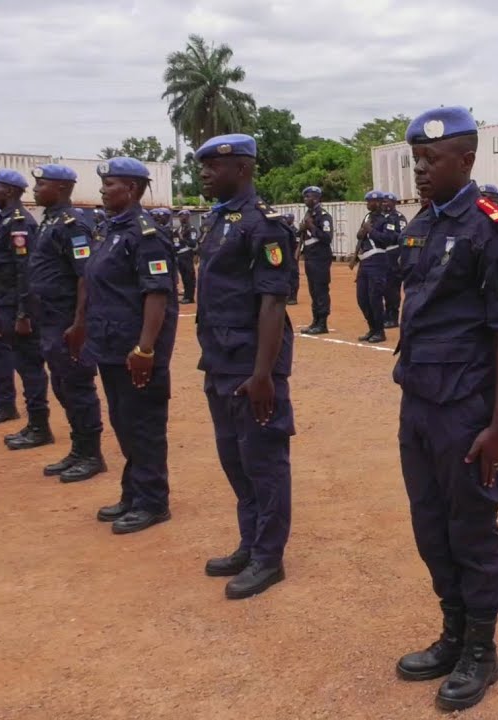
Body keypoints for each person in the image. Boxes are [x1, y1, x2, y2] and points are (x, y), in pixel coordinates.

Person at [392, 106, 498, 712]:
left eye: (431, 160)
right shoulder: (420, 226)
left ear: (466, 161)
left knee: (471, 527)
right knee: (430, 525)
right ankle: (452, 633)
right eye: (415, 159)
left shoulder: (492, 231)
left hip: (464, 411)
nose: (419, 170)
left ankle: (481, 648)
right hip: (418, 402)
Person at [193, 134, 296, 600]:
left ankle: (268, 558)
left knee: (264, 461)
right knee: (234, 459)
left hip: (252, 366)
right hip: (219, 361)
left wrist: (262, 375)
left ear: (242, 169)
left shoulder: (264, 226)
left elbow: (273, 304)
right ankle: (250, 541)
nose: (205, 174)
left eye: (214, 166)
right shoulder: (219, 223)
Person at [75, 157, 177, 534]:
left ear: (131, 189)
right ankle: (134, 492)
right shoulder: (109, 230)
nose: (102, 190)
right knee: (123, 421)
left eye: (110, 184)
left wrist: (146, 349)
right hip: (110, 345)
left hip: (136, 351)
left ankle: (153, 501)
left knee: (144, 425)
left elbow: (156, 294)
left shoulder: (145, 234)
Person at [17, 164, 107, 482]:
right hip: (49, 319)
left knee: (78, 385)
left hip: (67, 319)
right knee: (62, 385)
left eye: (41, 184)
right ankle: (79, 448)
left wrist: (80, 322)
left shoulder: (74, 224)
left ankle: (92, 455)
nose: (35, 189)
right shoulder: (51, 221)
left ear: (62, 187)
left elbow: (84, 275)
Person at [0, 169, 44, 430]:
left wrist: (23, 313)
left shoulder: (19, 223)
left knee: (29, 367)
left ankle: (38, 425)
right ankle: (8, 407)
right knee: (14, 359)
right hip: (5, 300)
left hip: (18, 304)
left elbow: (24, 270)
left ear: (11, 192)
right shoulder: (4, 220)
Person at [354, 190, 394, 343]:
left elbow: (388, 239)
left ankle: (379, 331)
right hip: (364, 262)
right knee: (362, 298)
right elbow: (359, 236)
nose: (367, 204)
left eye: (370, 201)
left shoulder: (387, 220)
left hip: (378, 261)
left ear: (377, 203)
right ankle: (372, 328)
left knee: (374, 298)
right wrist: (363, 230)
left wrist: (370, 230)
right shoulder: (367, 217)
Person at [298, 186, 333, 334]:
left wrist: (311, 226)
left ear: (317, 198)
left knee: (321, 290)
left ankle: (322, 323)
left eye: (309, 197)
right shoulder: (308, 213)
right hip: (310, 257)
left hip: (320, 257)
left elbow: (326, 238)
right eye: (305, 197)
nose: (306, 199)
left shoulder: (323, 216)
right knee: (313, 290)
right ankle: (315, 320)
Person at [381, 191, 405, 328]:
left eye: (387, 202)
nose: (384, 204)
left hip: (394, 254)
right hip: (383, 255)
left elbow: (401, 235)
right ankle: (387, 313)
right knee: (384, 287)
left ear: (394, 203)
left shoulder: (399, 218)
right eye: (383, 202)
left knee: (393, 287)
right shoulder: (381, 217)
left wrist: (387, 235)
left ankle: (393, 316)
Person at [175, 209, 198, 304]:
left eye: (184, 216)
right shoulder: (179, 229)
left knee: (189, 276)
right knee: (184, 277)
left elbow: (192, 244)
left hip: (187, 254)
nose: (182, 218)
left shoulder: (191, 229)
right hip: (179, 254)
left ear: (188, 217)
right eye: (180, 216)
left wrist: (182, 239)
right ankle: (186, 295)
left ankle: (190, 297)